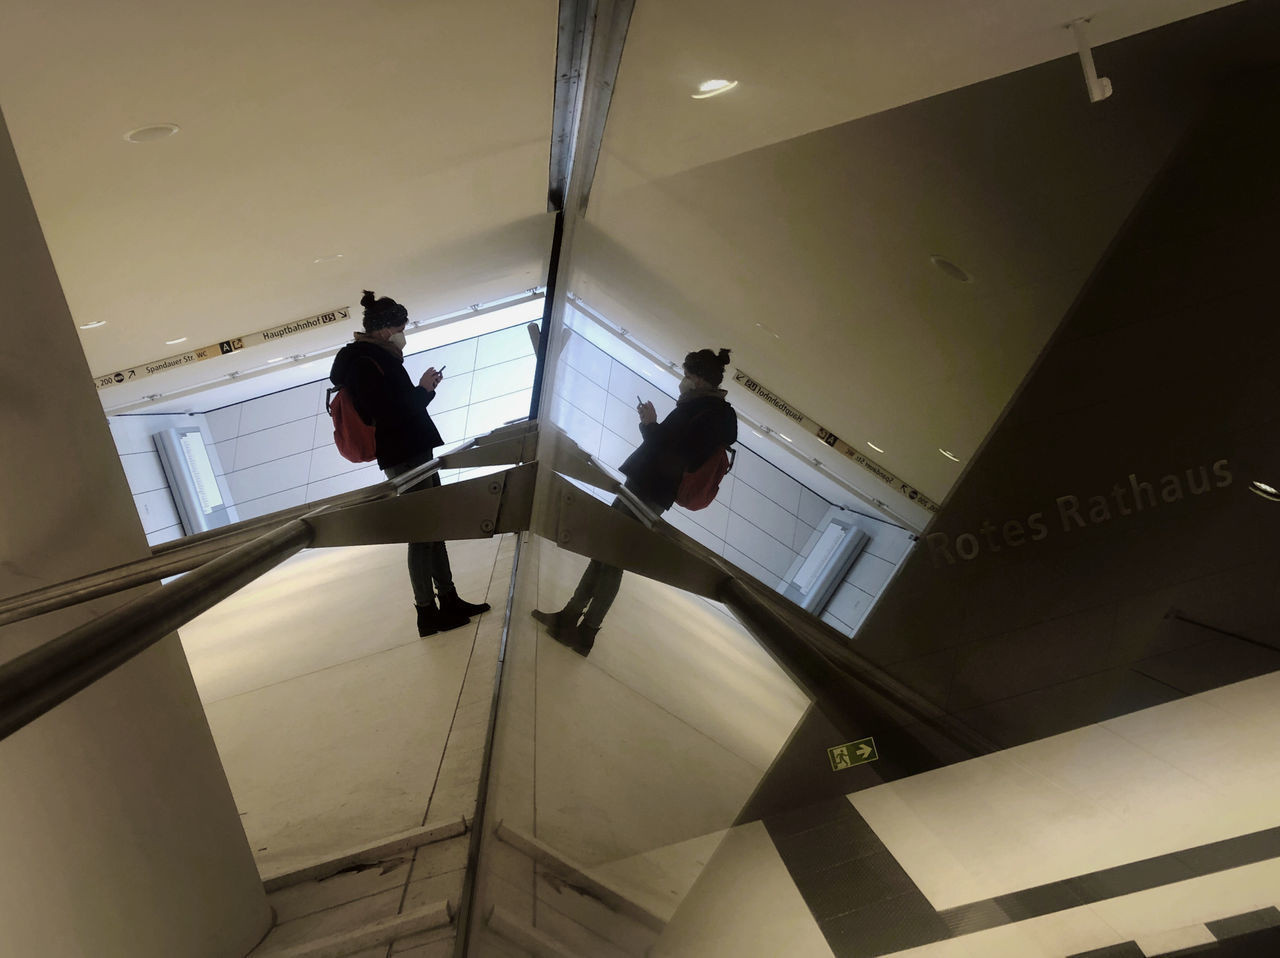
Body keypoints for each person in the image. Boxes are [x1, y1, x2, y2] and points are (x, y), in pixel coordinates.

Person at [532, 347, 737, 656]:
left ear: (696, 379)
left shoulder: (710, 414)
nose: (682, 381)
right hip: (644, 486)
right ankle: (570, 616)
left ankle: (587, 631)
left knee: (613, 558)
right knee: (605, 554)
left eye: (686, 375)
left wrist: (652, 424)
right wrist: (649, 425)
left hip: (652, 491)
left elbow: (676, 456)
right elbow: (668, 447)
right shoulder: (701, 407)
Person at [329, 290, 491, 637]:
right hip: (402, 455)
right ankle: (425, 612)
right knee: (421, 534)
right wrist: (422, 390)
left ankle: (448, 599)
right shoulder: (363, 363)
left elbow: (397, 405)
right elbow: (386, 413)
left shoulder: (379, 357)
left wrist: (424, 390)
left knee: (436, 529)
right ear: (386, 329)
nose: (405, 332)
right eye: (402, 326)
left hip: (415, 451)